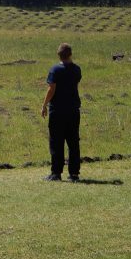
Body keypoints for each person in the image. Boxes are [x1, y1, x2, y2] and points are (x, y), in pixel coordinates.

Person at [41, 43, 82, 181]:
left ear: (59, 55)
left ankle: (56, 172)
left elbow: (51, 89)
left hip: (57, 111)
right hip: (73, 110)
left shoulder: (55, 70)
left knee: (56, 142)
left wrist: (44, 105)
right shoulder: (77, 69)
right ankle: (74, 173)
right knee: (73, 142)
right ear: (70, 54)